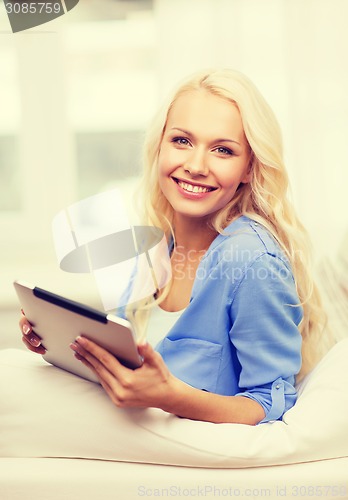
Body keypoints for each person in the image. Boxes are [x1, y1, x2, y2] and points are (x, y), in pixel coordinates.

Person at [19, 69, 326, 426]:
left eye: (223, 150)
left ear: (248, 168)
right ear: (159, 146)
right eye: (182, 141)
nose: (195, 166)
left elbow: (272, 404)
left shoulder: (254, 261)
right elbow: (134, 358)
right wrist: (63, 342)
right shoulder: (158, 246)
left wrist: (173, 398)